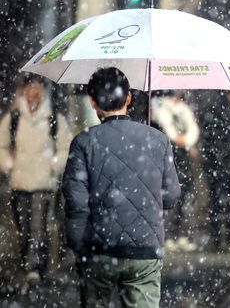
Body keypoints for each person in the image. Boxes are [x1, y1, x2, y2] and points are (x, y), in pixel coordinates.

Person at [62, 67, 180, 307]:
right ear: (128, 98)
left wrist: (78, 246)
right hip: (145, 250)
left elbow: (76, 202)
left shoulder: (84, 142)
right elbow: (171, 196)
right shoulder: (158, 139)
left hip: (98, 249)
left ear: (93, 102)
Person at [0, 75, 71, 283]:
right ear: (24, 91)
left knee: (38, 227)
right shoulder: (13, 118)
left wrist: (55, 164)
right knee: (22, 228)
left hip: (43, 182)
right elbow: (2, 145)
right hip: (19, 181)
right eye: (31, 88)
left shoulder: (53, 118)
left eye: (38, 89)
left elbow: (65, 147)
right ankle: (27, 264)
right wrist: (8, 164)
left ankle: (35, 268)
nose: (34, 93)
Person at [200, 91, 230, 252]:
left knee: (215, 201)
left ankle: (215, 237)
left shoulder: (210, 110)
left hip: (214, 164)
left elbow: (206, 138)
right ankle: (228, 238)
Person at [151, 91, 200, 252]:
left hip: (183, 157)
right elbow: (167, 129)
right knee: (168, 196)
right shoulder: (158, 108)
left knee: (185, 197)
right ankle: (169, 235)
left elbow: (193, 129)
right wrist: (177, 138)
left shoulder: (183, 109)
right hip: (170, 156)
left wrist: (186, 140)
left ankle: (181, 234)